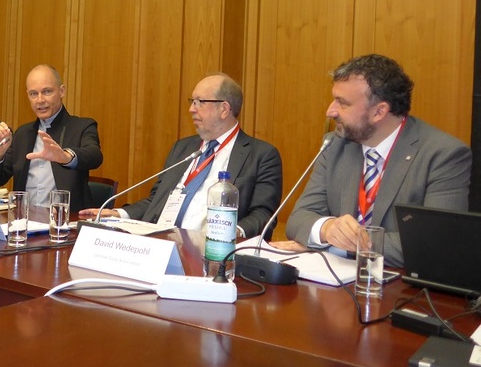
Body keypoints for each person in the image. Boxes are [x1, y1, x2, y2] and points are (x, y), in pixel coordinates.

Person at [283, 54, 471, 267]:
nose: (330, 111)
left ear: (380, 111)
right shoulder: (334, 144)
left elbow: (437, 244)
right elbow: (298, 219)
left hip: (402, 292)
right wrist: (328, 228)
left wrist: (345, 244)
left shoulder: (443, 155)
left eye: (342, 103)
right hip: (335, 287)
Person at [79, 73, 283, 239]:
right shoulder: (183, 148)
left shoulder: (261, 155)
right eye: (192, 101)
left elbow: (263, 215)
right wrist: (119, 214)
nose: (191, 109)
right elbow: (156, 200)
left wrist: (230, 233)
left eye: (199, 102)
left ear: (224, 109)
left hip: (211, 251)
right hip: (158, 240)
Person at [0, 64, 103, 211]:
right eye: (33, 94)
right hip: (25, 219)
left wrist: (65, 156)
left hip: (64, 221)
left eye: (47, 91)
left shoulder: (82, 126)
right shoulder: (22, 133)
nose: (40, 100)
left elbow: (94, 155)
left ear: (61, 91)